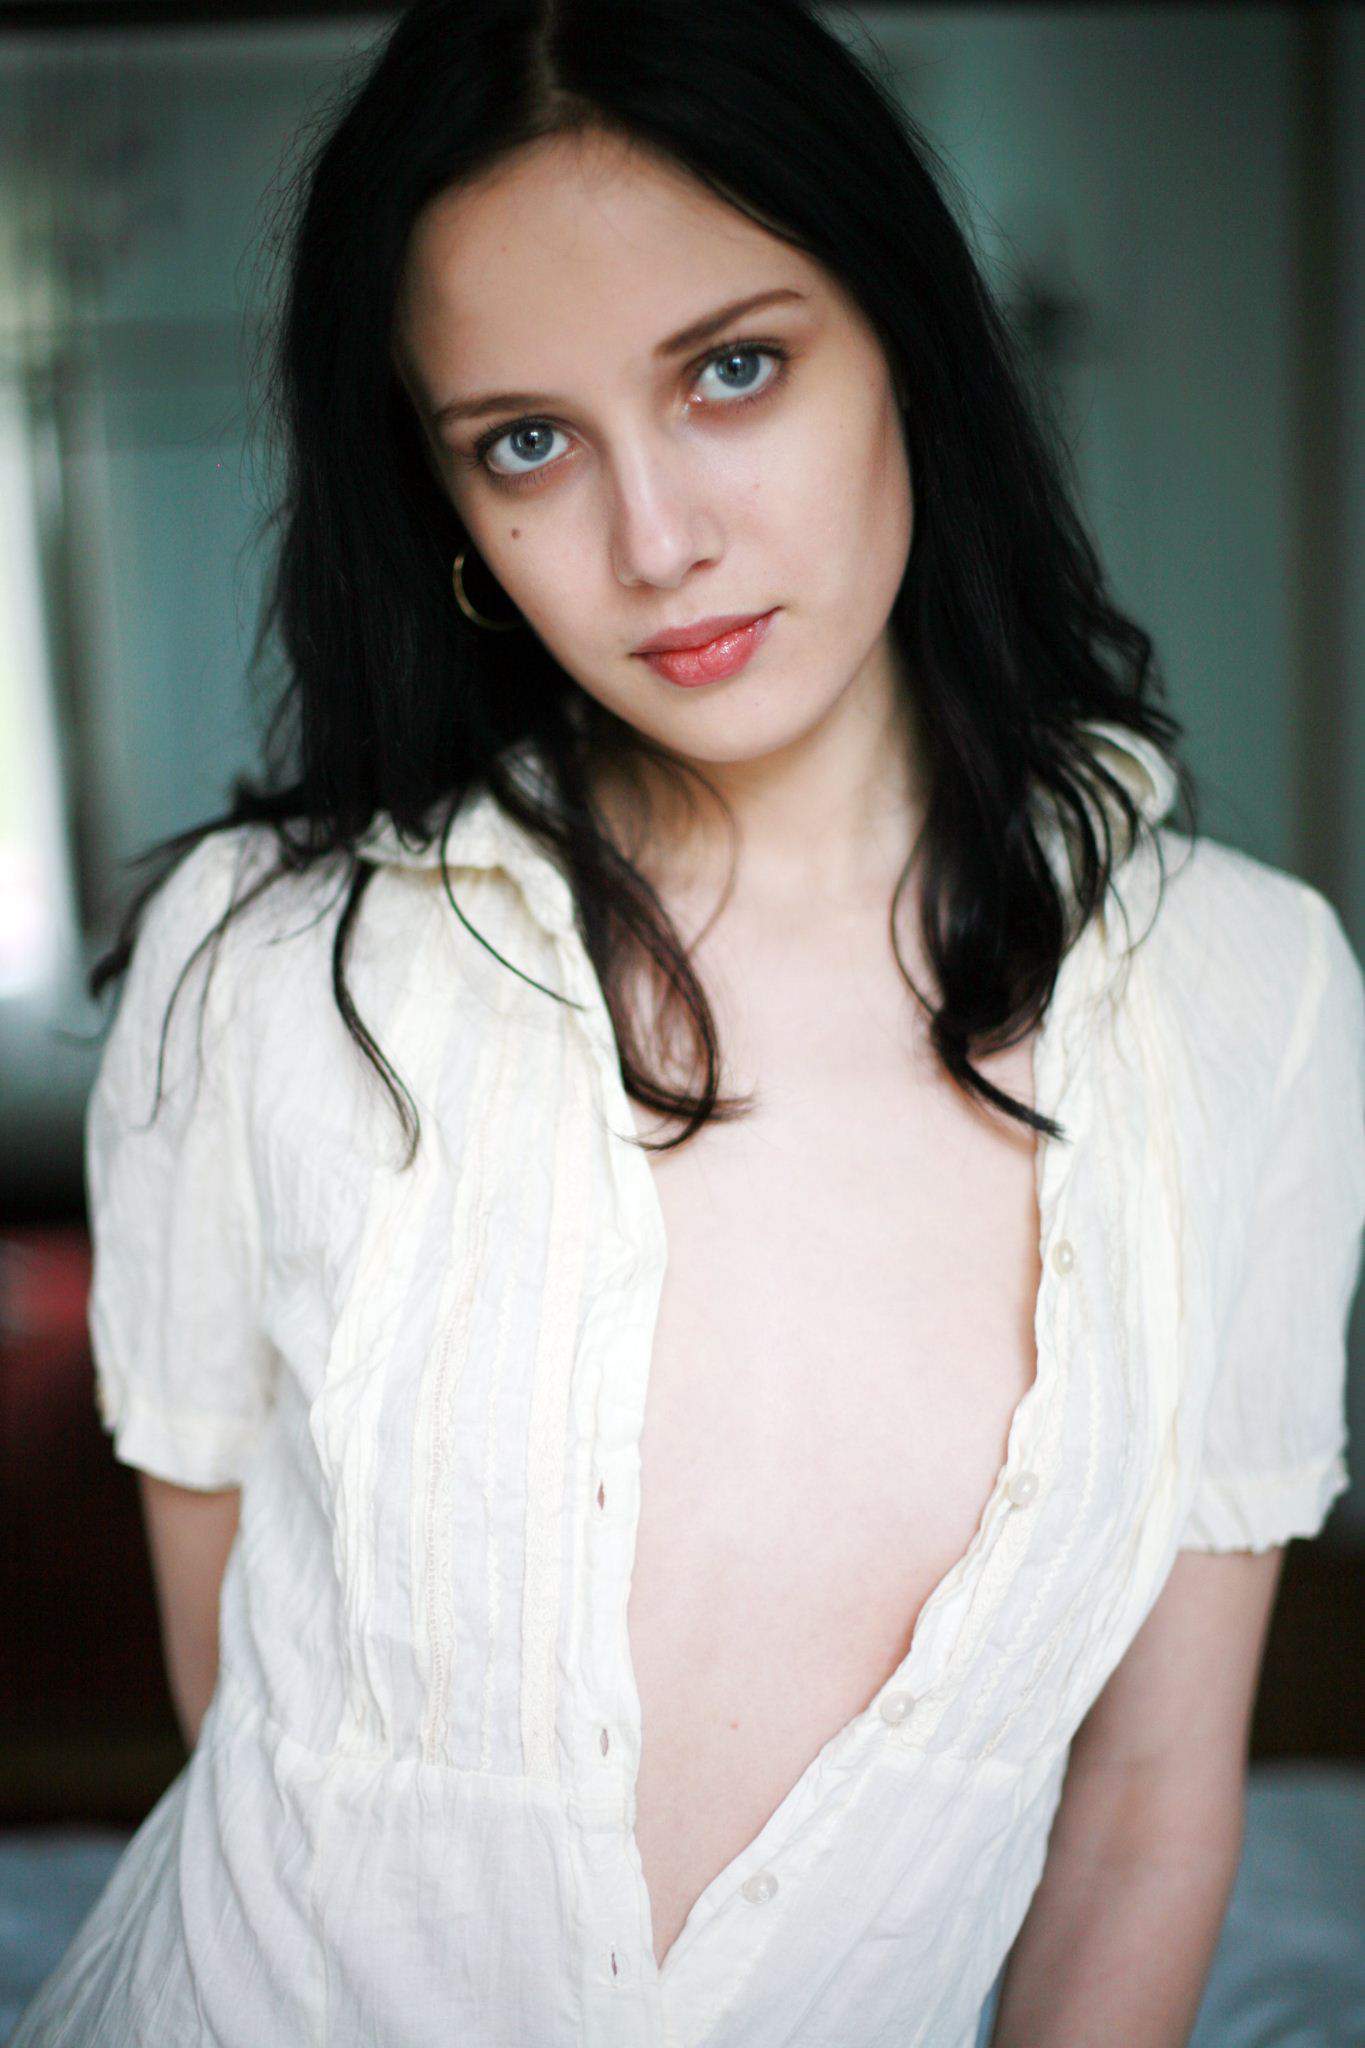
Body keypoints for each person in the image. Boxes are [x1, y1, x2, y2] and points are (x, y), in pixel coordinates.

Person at [14, 1, 1364, 2043]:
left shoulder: (1247, 1001)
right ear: (445, 501)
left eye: (731, 368)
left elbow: (1142, 1812)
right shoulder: (265, 968)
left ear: (904, 341)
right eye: (525, 442)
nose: (655, 545)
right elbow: (249, 1732)